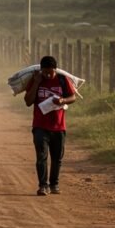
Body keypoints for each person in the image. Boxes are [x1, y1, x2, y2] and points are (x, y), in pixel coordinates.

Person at [24, 56, 76, 196]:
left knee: (57, 158)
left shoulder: (62, 80)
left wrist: (63, 100)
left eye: (50, 72)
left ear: (55, 70)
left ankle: (54, 184)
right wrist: (36, 83)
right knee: (41, 157)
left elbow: (73, 97)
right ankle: (43, 186)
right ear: (41, 70)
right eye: (45, 72)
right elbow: (28, 101)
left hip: (59, 126)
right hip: (40, 125)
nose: (47, 75)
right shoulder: (36, 80)